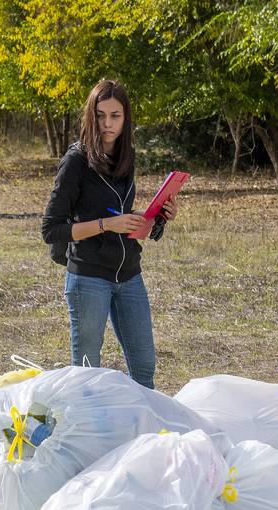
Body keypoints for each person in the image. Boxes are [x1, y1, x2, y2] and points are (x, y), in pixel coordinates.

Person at [41, 78, 178, 386]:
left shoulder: (126, 156)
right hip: (88, 278)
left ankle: (141, 433)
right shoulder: (75, 161)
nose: (107, 123)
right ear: (91, 116)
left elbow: (125, 218)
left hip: (128, 274)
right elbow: (51, 230)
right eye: (100, 115)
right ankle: (86, 431)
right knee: (87, 375)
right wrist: (106, 224)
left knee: (144, 370)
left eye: (115, 115)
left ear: (126, 117)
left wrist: (157, 218)